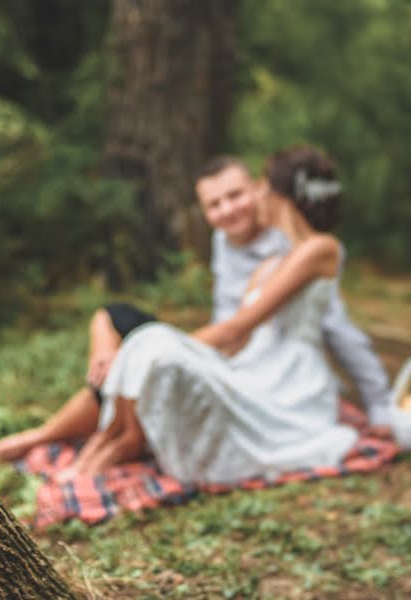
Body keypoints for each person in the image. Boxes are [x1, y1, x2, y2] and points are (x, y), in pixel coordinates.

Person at [0, 148, 391, 466]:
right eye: (215, 204)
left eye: (242, 192)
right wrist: (149, 352)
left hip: (277, 371)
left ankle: (88, 440)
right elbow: (230, 325)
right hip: (241, 355)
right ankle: (64, 436)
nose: (231, 209)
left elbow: (316, 327)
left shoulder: (308, 249)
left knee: (147, 352)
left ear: (270, 193)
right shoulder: (245, 250)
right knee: (119, 324)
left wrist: (377, 402)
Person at [59, 145, 362, 482]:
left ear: (281, 195)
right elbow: (238, 339)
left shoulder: (320, 249)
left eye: (262, 185)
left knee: (151, 342)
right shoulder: (269, 266)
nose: (257, 194)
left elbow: (239, 326)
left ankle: (121, 443)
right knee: (148, 344)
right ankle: (109, 441)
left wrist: (168, 348)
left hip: (290, 380)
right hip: (253, 362)